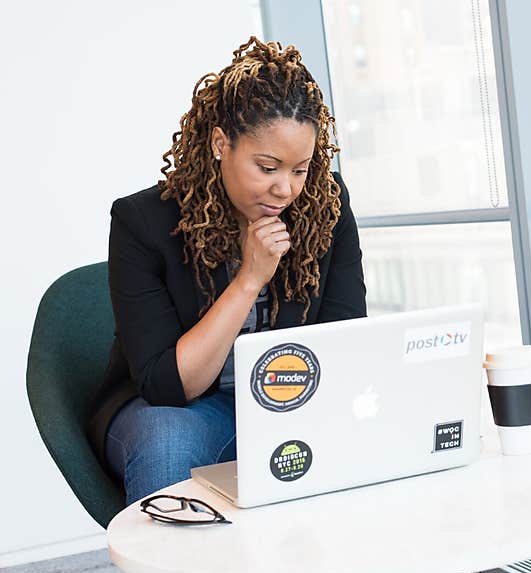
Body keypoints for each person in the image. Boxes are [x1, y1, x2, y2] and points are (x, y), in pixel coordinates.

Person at [87, 37, 367, 508]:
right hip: (183, 408)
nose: (286, 189)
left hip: (292, 400)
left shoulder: (326, 206)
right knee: (167, 442)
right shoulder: (144, 223)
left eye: (300, 169)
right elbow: (170, 386)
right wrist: (249, 279)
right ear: (221, 144)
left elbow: (345, 339)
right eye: (267, 167)